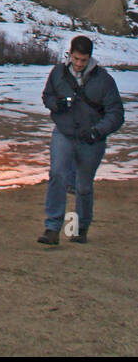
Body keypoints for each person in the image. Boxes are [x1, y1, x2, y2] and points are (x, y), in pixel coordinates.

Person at [38, 35, 124, 246]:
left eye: (83, 61)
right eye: (75, 59)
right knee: (57, 175)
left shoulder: (104, 80)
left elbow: (116, 114)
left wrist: (97, 131)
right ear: (70, 54)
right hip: (64, 134)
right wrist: (55, 104)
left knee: (83, 185)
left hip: (91, 140)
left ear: (90, 58)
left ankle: (80, 229)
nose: (78, 64)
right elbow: (47, 95)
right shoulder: (58, 73)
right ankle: (52, 228)